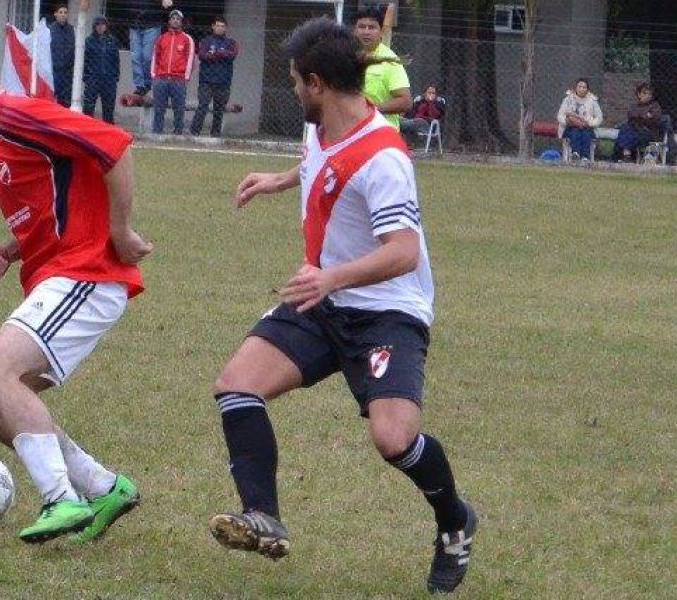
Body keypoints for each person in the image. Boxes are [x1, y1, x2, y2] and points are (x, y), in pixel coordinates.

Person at [207, 17, 477, 595]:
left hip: (387, 310)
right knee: (237, 386)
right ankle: (263, 516)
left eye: (294, 82)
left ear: (316, 83)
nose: (293, 91)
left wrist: (332, 277)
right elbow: (322, 163)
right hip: (324, 296)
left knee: (394, 441)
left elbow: (403, 253)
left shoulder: (385, 158)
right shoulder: (322, 123)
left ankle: (455, 519)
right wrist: (280, 180)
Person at [0, 34, 153, 545]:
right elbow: (53, 202)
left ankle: (61, 498)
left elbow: (114, 147)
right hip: (61, 275)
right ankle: (101, 485)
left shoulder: (15, 115)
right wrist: (11, 250)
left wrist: (120, 232)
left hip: (88, 274)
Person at [353, 4, 412, 130]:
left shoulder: (390, 60)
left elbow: (405, 102)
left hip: (382, 135)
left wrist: (371, 110)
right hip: (351, 134)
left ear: (381, 31)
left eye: (372, 27)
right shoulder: (345, 56)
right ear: (355, 30)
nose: (366, 31)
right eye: (362, 27)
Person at [189, 17, 239, 137]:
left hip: (223, 82)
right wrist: (219, 54)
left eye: (222, 26)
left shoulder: (231, 42)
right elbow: (202, 56)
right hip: (206, 81)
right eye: (218, 26)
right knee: (202, 106)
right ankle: (194, 132)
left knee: (219, 110)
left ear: (225, 28)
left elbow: (232, 55)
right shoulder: (205, 41)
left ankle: (215, 135)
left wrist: (216, 54)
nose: (220, 28)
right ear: (213, 26)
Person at [150, 10, 194, 135]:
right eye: (173, 18)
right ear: (169, 21)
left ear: (181, 22)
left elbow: (190, 59)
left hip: (178, 80)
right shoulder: (161, 38)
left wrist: (185, 78)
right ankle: (157, 133)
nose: (175, 20)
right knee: (159, 108)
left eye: (178, 19)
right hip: (161, 79)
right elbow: (155, 57)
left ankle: (178, 134)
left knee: (179, 109)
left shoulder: (187, 39)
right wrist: (154, 75)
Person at [122, 0, 173, 96]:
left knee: (148, 57)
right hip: (134, 25)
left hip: (152, 25)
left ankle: (148, 83)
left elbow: (168, 4)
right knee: (135, 57)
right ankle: (140, 86)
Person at [83, 15, 121, 124]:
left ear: (106, 26)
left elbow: (116, 60)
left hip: (109, 79)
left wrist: (115, 77)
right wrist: (87, 77)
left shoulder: (113, 41)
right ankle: (87, 128)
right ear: (94, 26)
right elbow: (85, 60)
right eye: (98, 24)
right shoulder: (89, 41)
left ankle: (108, 130)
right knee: (88, 106)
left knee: (108, 106)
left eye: (102, 24)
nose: (100, 27)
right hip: (93, 78)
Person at [556, 78, 603, 162]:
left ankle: (585, 157)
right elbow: (560, 115)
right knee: (575, 132)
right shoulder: (568, 99)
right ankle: (575, 153)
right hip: (571, 126)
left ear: (587, 89)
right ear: (575, 88)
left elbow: (599, 117)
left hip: (587, 127)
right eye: (579, 86)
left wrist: (590, 123)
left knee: (586, 134)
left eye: (584, 87)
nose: (581, 89)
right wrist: (567, 121)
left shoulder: (592, 101)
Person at [614, 82, 663, 162]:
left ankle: (625, 155)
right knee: (626, 129)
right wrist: (645, 116)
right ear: (639, 94)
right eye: (644, 93)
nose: (648, 95)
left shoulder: (655, 106)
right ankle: (627, 155)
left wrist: (639, 117)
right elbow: (631, 115)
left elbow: (654, 119)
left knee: (626, 132)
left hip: (648, 133)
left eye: (649, 94)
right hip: (634, 130)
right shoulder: (634, 106)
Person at [49, 4, 76, 107]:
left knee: (65, 101)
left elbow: (74, 50)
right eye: (61, 12)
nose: (63, 15)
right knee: (52, 98)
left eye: (65, 12)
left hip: (67, 72)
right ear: (55, 14)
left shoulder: (72, 30)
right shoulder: (50, 30)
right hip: (54, 71)